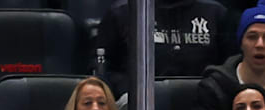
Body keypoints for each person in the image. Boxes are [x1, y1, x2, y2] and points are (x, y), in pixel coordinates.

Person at [97, 0, 234, 99]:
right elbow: (103, 69)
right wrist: (131, 91)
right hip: (138, 106)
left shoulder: (215, 13)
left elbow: (229, 68)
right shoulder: (124, 12)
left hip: (203, 104)